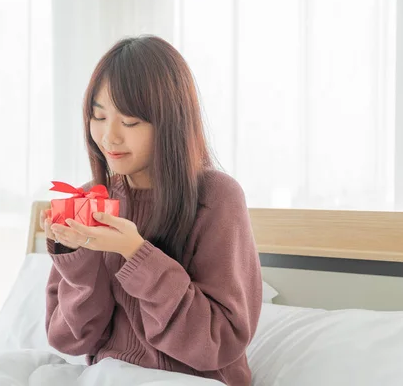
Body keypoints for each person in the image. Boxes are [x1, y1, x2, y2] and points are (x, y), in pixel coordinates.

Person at [39, 35, 262, 386]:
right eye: (98, 116)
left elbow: (218, 342)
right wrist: (75, 259)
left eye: (129, 122)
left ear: (171, 121)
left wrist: (135, 252)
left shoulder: (217, 198)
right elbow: (71, 339)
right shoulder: (90, 200)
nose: (109, 137)